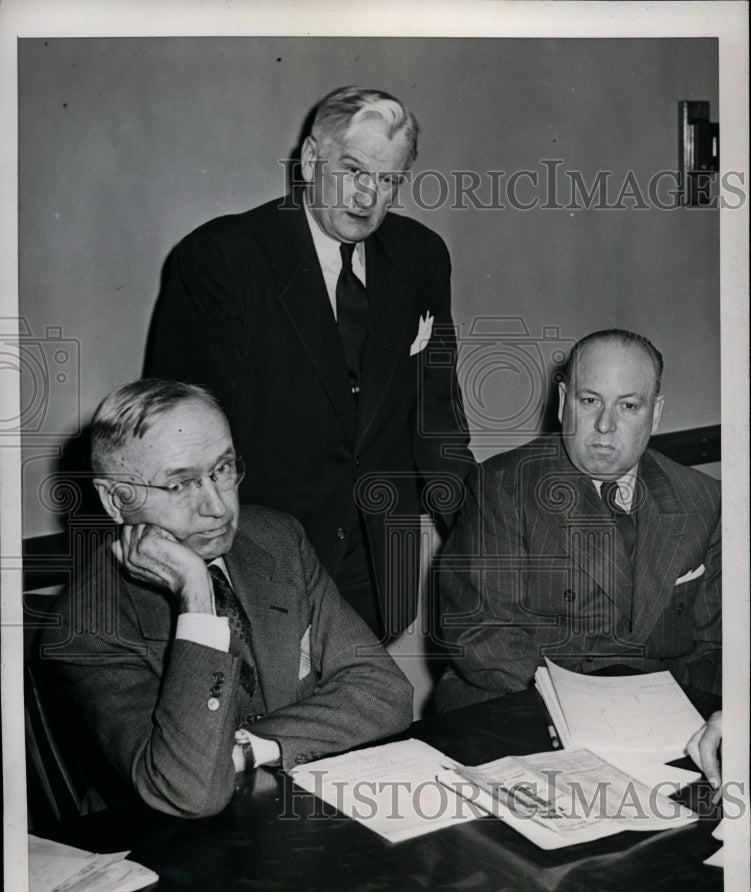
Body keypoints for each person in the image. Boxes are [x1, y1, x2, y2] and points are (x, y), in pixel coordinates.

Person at [144, 85, 474, 639]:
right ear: (310, 159)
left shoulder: (421, 256)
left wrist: (482, 535)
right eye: (353, 170)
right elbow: (182, 439)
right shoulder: (223, 257)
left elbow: (436, 420)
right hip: (257, 562)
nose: (369, 196)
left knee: (365, 719)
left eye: (389, 180)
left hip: (376, 568)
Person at [39, 379, 413, 818]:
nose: (217, 507)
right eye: (180, 485)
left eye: (222, 470)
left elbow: (386, 691)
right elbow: (190, 792)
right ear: (116, 499)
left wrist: (244, 749)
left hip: (291, 809)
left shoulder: (276, 539)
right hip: (162, 846)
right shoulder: (88, 625)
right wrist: (197, 596)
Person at [436, 329, 721, 710]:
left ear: (655, 414)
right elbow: (484, 637)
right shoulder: (501, 486)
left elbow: (716, 646)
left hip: (663, 710)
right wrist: (592, 708)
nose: (605, 425)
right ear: (562, 402)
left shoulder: (704, 498)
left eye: (628, 406)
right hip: (527, 701)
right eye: (590, 400)